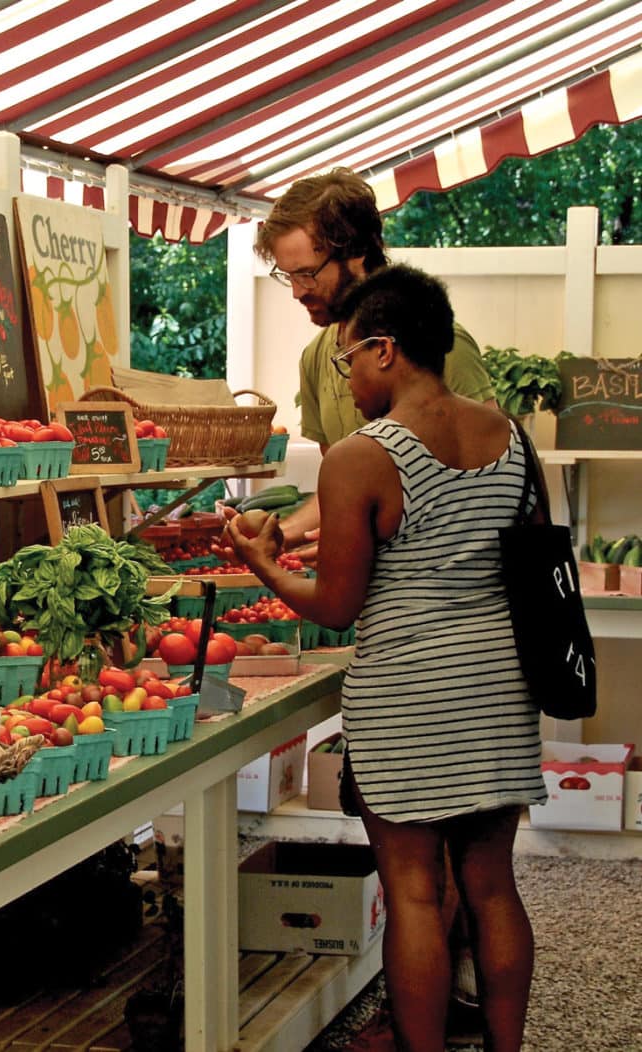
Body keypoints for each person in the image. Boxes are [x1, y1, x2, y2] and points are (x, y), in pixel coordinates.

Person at [225, 265, 545, 1052]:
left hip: (408, 694)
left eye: (346, 360)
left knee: (412, 895)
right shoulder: (508, 433)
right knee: (493, 887)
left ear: (384, 351)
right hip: (501, 687)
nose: (345, 379)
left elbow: (336, 606)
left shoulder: (363, 456)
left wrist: (265, 564)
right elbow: (528, 558)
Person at [253, 167, 496, 560]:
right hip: (369, 611)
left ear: (356, 253)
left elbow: (487, 487)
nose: (297, 292)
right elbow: (343, 491)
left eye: (307, 275)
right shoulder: (316, 359)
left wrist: (368, 541)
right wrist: (280, 536)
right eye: (288, 276)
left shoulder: (438, 347)